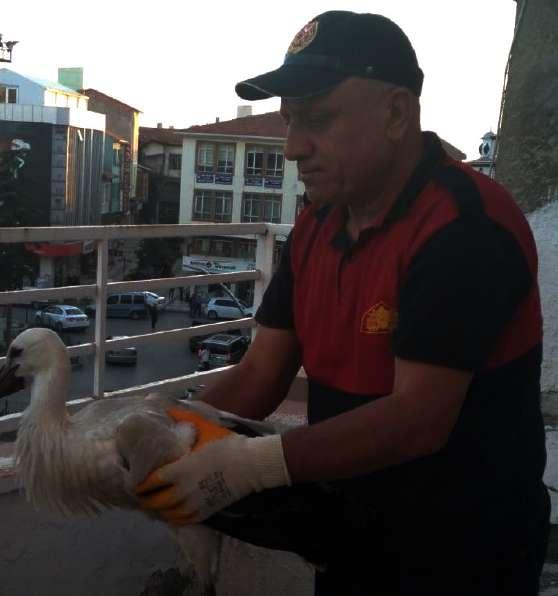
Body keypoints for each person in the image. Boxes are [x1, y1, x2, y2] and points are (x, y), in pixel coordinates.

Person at [137, 11, 549, 596]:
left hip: (462, 553)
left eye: (318, 119)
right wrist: (163, 432)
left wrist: (251, 466)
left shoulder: (464, 225)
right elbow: (261, 373)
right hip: (353, 537)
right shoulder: (316, 226)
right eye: (289, 121)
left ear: (397, 113)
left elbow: (418, 419)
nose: (292, 148)